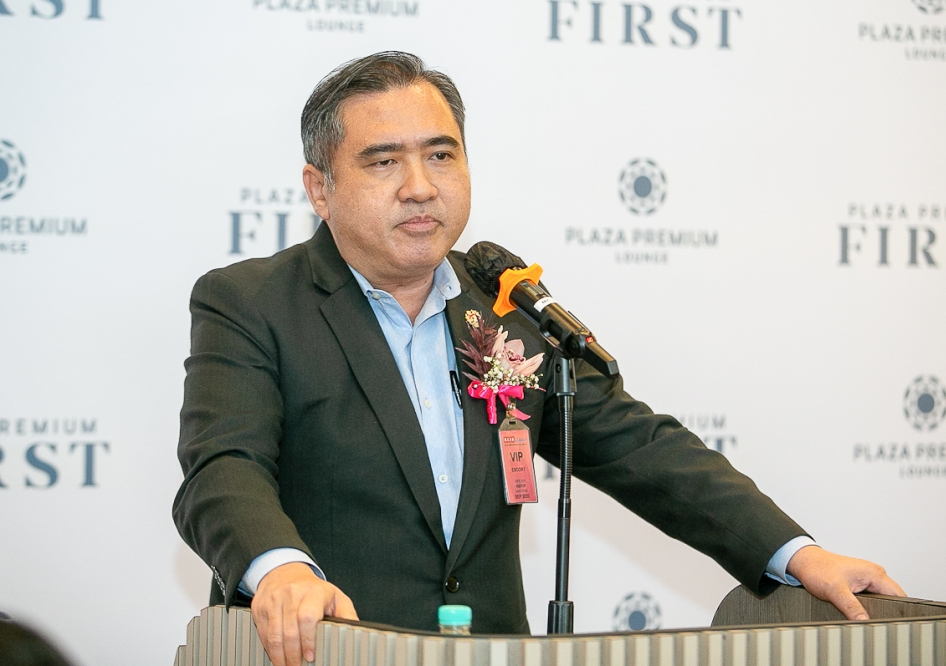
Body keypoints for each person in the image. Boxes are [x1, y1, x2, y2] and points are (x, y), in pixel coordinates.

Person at [173, 51, 904, 666]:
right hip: (328, 652)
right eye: (383, 161)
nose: (420, 185)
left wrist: (800, 555)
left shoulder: (504, 307)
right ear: (319, 189)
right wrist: (283, 571)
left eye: (440, 154)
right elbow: (222, 469)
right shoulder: (253, 303)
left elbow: (640, 448)